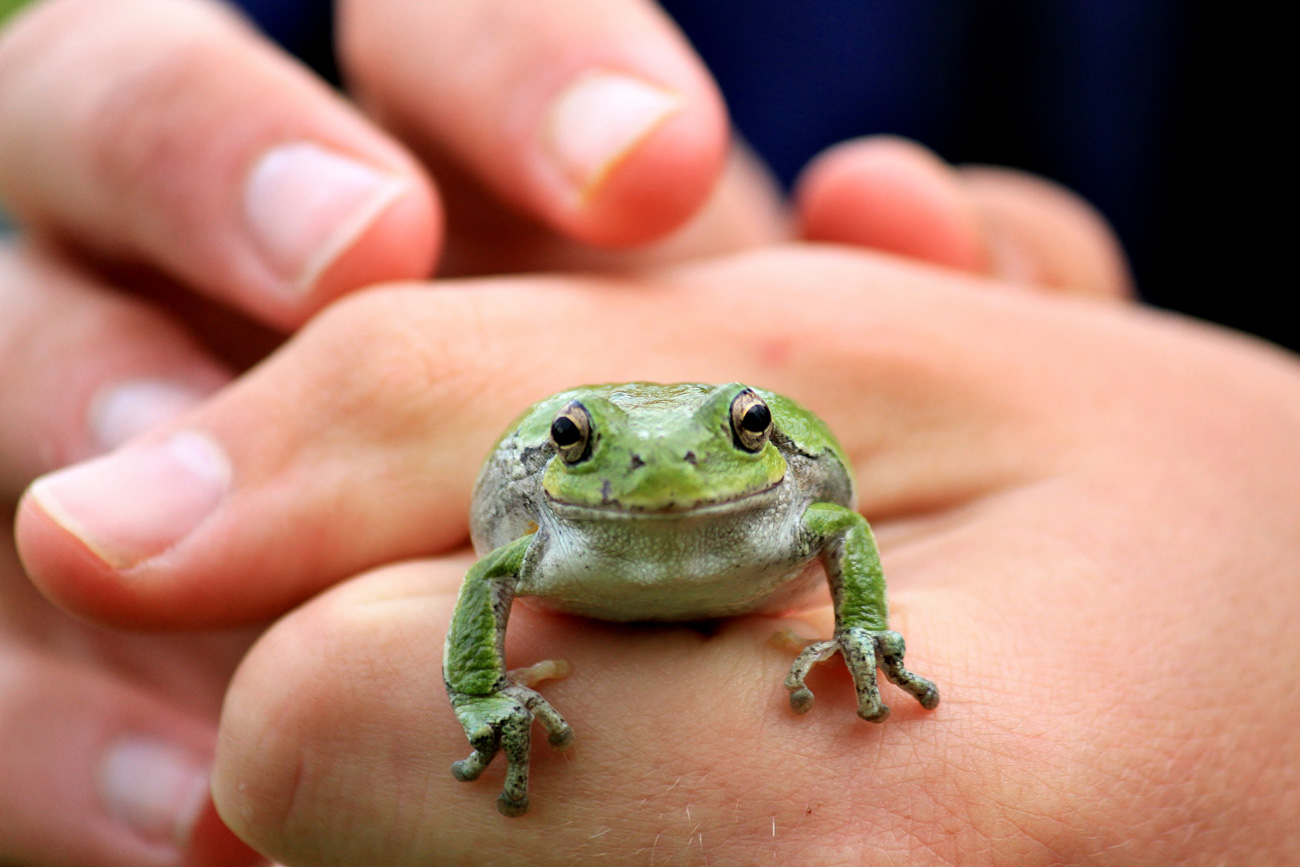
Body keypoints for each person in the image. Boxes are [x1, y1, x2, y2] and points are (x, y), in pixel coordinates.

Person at [0, 1, 1295, 865]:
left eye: (737, 429)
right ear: (557, 457)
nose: (667, 471)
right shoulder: (538, 538)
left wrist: (859, 628)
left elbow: (839, 519)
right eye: (580, 439)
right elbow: (489, 574)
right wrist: (478, 688)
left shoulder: (797, 501)